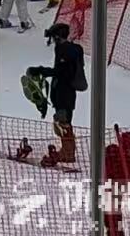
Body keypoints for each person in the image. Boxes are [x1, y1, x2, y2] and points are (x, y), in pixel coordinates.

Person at [27, 23, 84, 166]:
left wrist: (41, 70)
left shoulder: (63, 50)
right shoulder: (71, 49)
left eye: (53, 37)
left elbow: (61, 72)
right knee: (64, 120)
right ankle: (68, 151)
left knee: (63, 121)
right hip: (67, 92)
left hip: (64, 92)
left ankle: (68, 153)